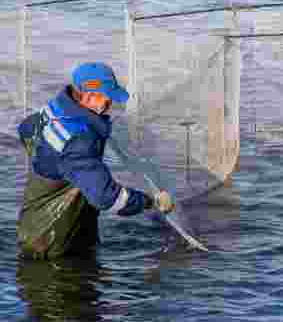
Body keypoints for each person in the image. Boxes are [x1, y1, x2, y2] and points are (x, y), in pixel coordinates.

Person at [16, 62, 175, 259]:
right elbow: (108, 198)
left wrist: (50, 162)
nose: (110, 107)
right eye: (108, 101)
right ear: (89, 96)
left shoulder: (53, 109)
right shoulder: (79, 141)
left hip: (37, 226)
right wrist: (150, 201)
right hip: (54, 245)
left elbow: (25, 129)